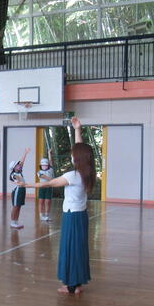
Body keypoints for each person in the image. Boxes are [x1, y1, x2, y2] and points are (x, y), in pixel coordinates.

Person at [19, 118, 93, 295]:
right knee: (79, 249)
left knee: (70, 249)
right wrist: (77, 130)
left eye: (73, 154)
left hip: (72, 216)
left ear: (77, 158)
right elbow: (80, 149)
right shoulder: (88, 172)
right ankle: (78, 283)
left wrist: (27, 185)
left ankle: (70, 285)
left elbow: (49, 183)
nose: (72, 156)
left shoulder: (73, 176)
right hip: (81, 215)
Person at [8, 148, 30, 229]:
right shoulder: (13, 174)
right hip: (17, 191)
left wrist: (25, 153)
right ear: (14, 168)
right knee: (15, 206)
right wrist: (26, 184)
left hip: (22, 190)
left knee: (19, 206)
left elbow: (22, 162)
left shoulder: (19, 171)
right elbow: (18, 179)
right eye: (17, 165)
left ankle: (16, 221)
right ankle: (12, 222)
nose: (19, 165)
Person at [37, 153, 55, 221]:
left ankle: (47, 215)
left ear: (48, 165)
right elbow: (44, 177)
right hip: (42, 188)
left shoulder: (51, 170)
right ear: (41, 166)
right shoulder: (39, 172)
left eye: (46, 165)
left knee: (48, 202)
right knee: (41, 202)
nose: (44, 166)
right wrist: (53, 180)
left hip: (49, 188)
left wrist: (49, 153)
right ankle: (41, 215)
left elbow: (50, 161)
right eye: (43, 165)